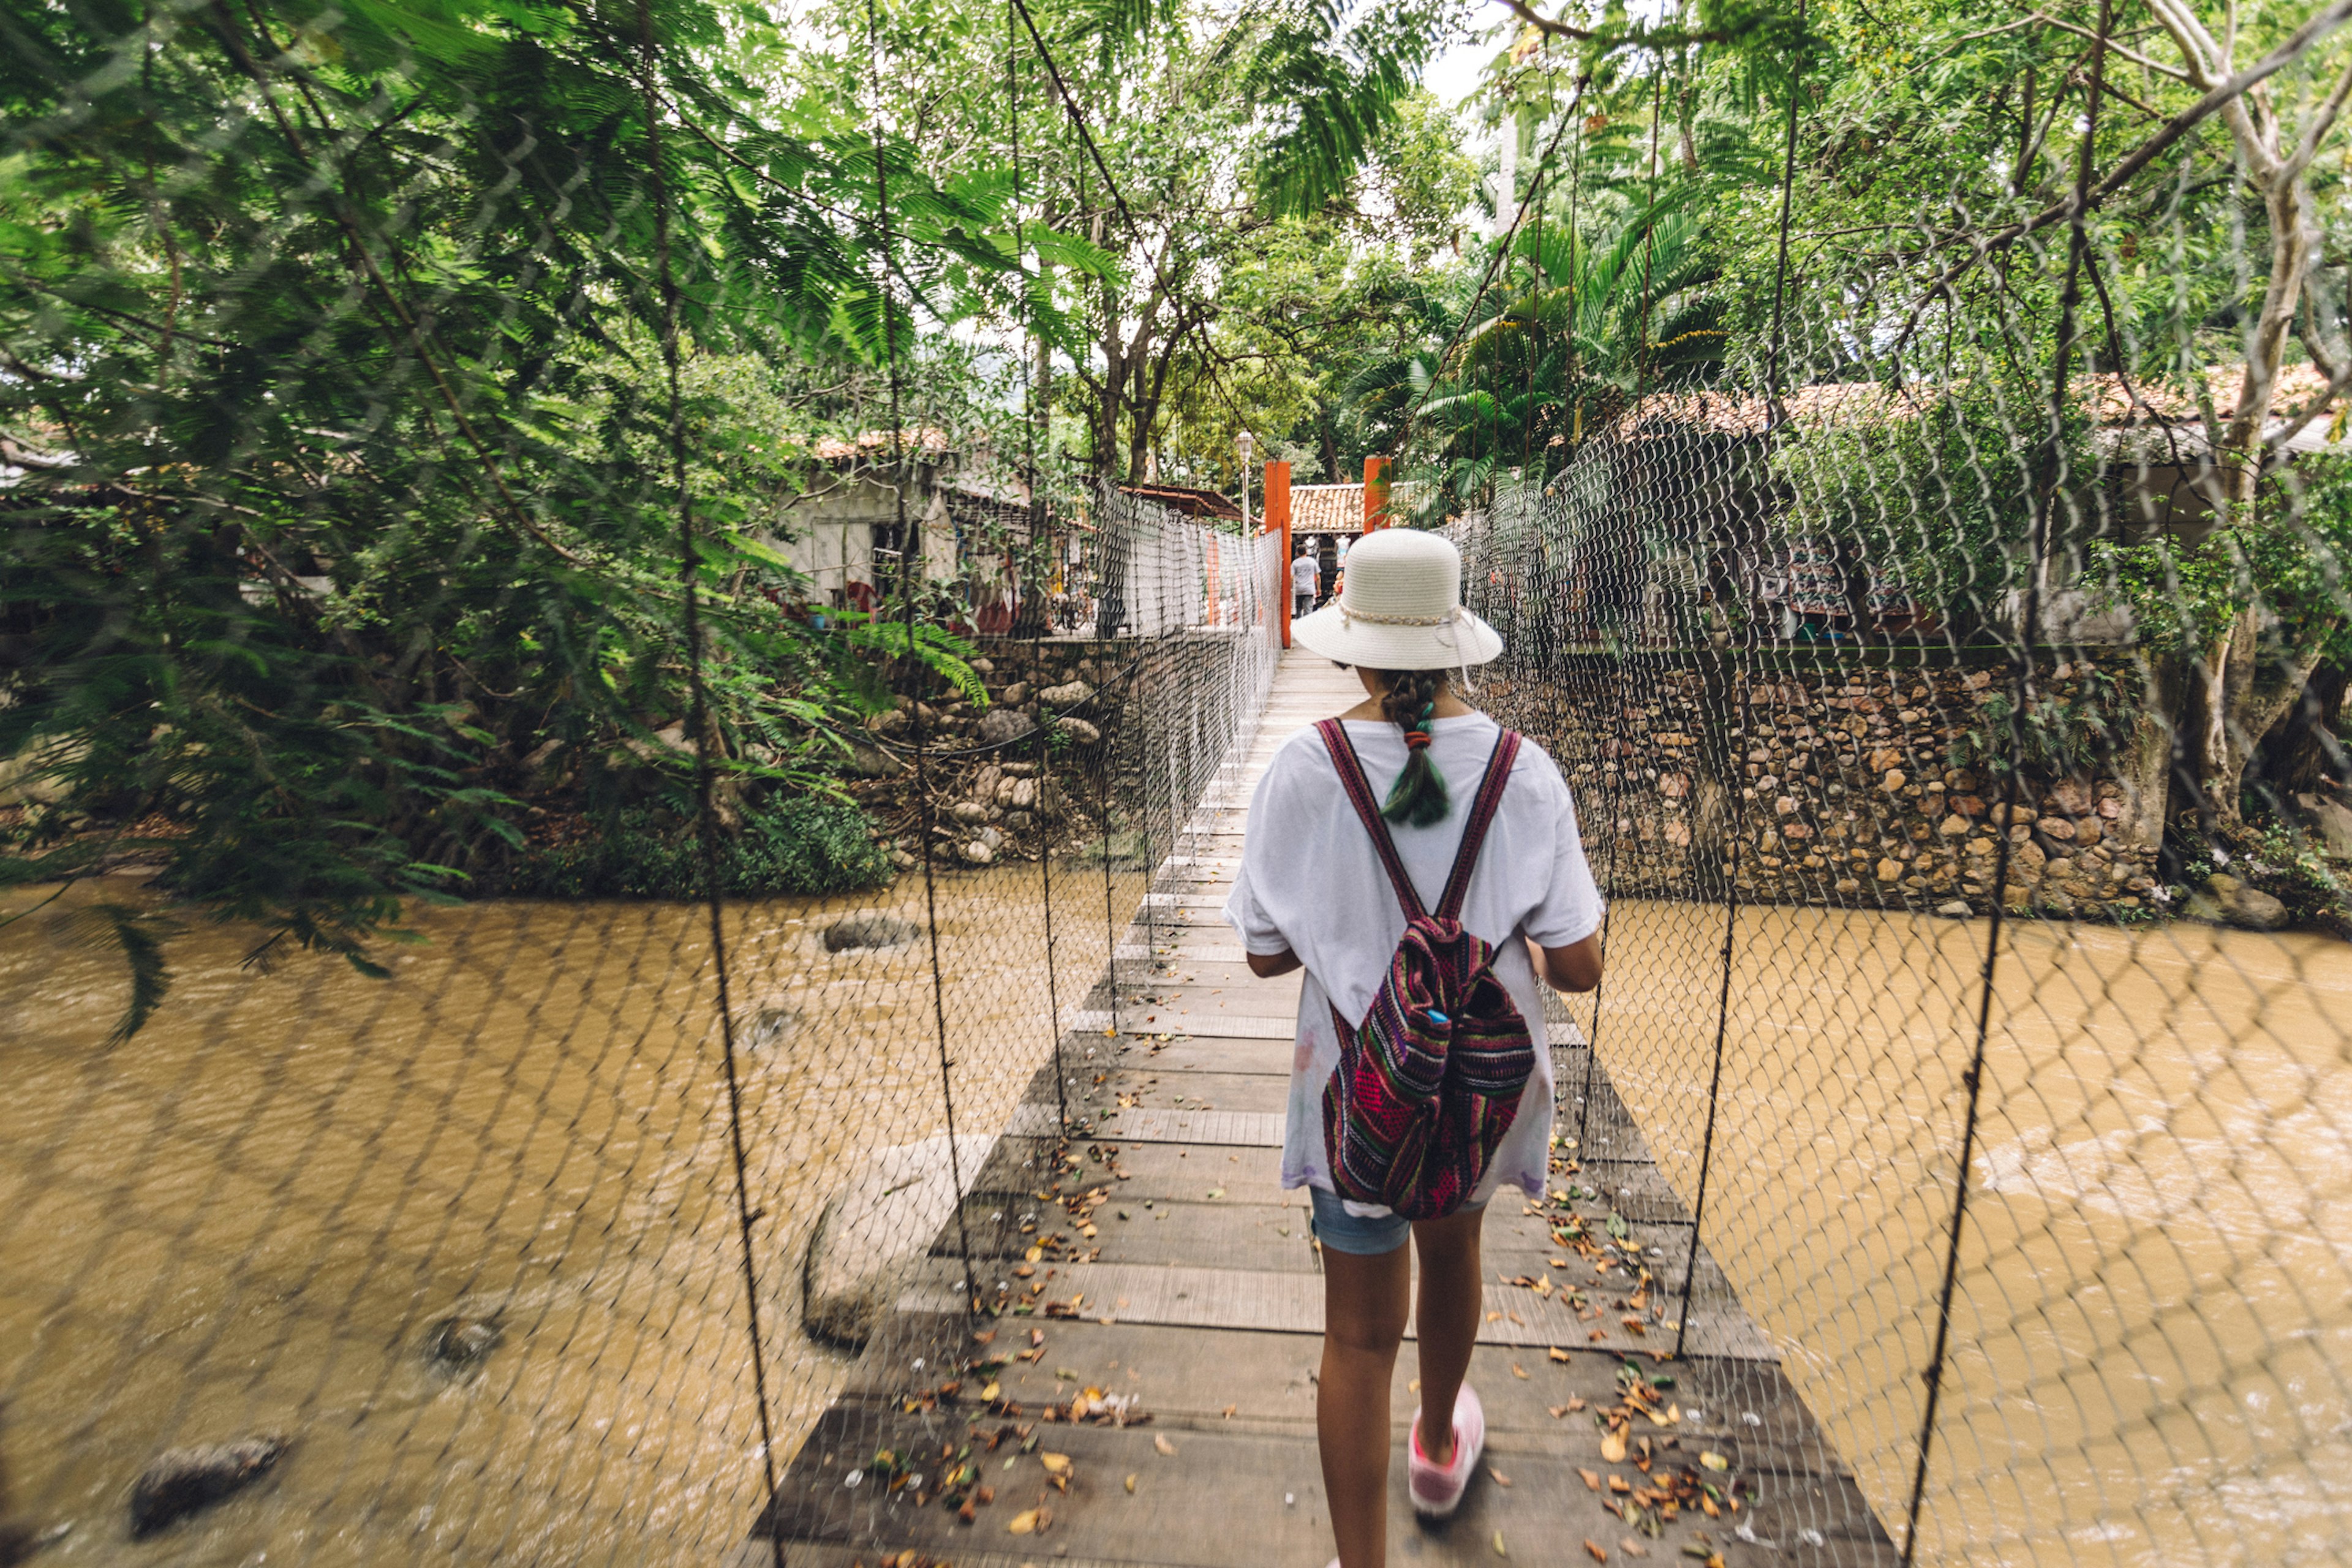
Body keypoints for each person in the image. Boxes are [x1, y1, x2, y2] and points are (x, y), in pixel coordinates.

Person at [1223, 528, 1604, 1568]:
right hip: (1478, 1094)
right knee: (1455, 1247)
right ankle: (1438, 1443)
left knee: (1355, 1333)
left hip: (1357, 1087)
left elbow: (1263, 955)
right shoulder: (1529, 776)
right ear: (1456, 647)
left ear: (1352, 647)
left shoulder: (1304, 771)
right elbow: (1577, 967)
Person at [1293, 543, 1321, 618]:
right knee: (1308, 609)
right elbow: (1318, 577)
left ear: (1297, 553)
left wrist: (1291, 588)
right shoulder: (1313, 562)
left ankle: (1298, 624)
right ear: (1306, 552)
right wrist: (1318, 589)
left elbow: (1291, 577)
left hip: (1299, 589)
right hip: (1310, 588)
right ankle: (1306, 626)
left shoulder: (1295, 563)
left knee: (1298, 608)